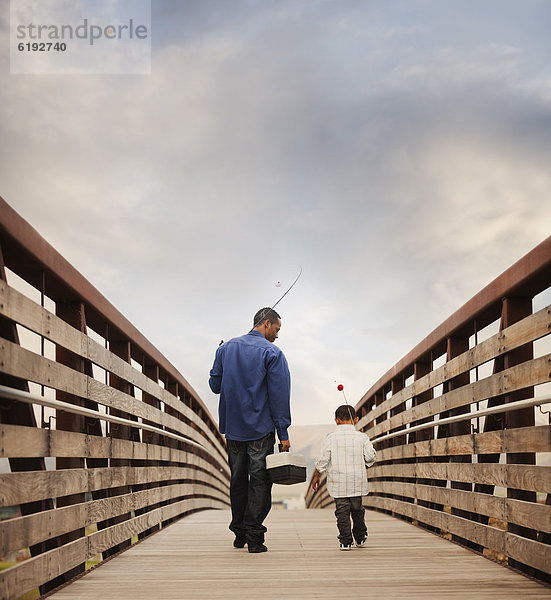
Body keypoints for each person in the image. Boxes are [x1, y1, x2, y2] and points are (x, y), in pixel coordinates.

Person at [209, 307, 291, 553]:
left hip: (233, 429)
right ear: (266, 324)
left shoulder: (225, 349)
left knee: (238, 481)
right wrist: (283, 434)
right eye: (276, 329)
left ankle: (239, 532)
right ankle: (254, 537)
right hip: (260, 430)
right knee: (259, 482)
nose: (277, 336)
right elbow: (279, 396)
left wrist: (219, 355)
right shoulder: (272, 353)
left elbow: (215, 386)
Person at [311, 405, 376, 550]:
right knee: (357, 509)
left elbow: (323, 460)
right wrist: (367, 461)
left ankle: (345, 541)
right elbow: (370, 457)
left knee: (341, 510)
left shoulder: (330, 438)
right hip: (357, 481)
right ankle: (360, 537)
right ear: (356, 419)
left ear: (336, 421)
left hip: (338, 482)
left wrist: (316, 476)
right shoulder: (362, 437)